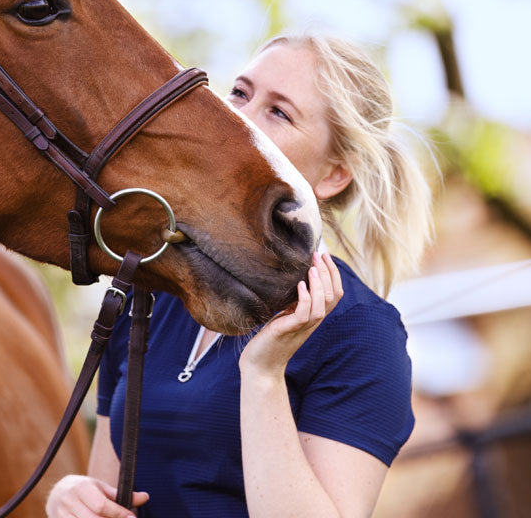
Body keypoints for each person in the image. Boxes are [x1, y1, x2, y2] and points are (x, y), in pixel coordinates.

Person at [46, 34, 432, 518]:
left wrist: (264, 375)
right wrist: (71, 498)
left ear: (333, 175)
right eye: (240, 93)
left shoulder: (362, 333)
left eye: (279, 112)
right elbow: (107, 489)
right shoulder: (149, 289)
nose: (236, 117)